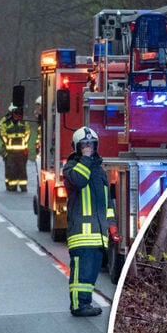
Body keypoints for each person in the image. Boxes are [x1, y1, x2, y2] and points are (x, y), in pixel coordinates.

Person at [62, 126, 114, 317]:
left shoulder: (99, 170)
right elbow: (80, 181)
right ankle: (78, 305)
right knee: (81, 273)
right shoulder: (71, 168)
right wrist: (85, 158)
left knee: (91, 273)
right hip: (81, 232)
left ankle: (85, 302)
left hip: (98, 232)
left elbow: (107, 201)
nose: (88, 147)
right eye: (84, 144)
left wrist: (112, 224)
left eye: (91, 144)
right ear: (77, 147)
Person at [0, 104, 31, 191]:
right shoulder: (5, 122)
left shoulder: (23, 122)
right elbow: (1, 132)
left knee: (22, 169)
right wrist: (7, 142)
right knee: (11, 169)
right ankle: (11, 185)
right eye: (15, 113)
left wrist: (25, 143)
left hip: (22, 151)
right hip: (10, 151)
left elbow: (28, 132)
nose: (17, 115)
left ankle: (23, 186)